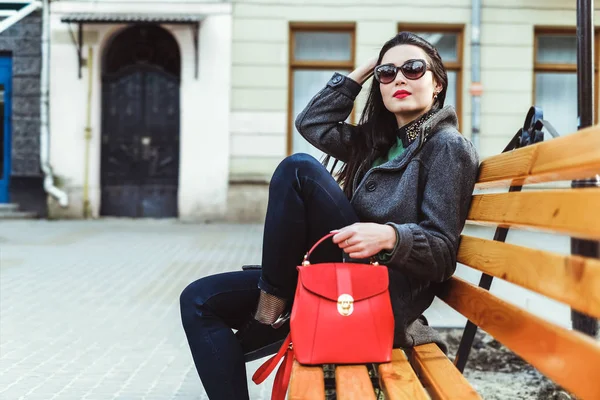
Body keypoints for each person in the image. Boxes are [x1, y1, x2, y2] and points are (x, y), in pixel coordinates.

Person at [180, 31, 479, 399]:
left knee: (299, 170)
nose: (399, 77)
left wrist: (391, 236)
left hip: (379, 291)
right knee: (197, 300)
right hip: (338, 272)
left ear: (437, 85)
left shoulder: (447, 147)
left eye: (414, 69)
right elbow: (312, 123)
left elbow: (443, 252)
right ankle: (269, 307)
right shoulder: (375, 143)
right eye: (387, 73)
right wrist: (364, 71)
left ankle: (267, 313)